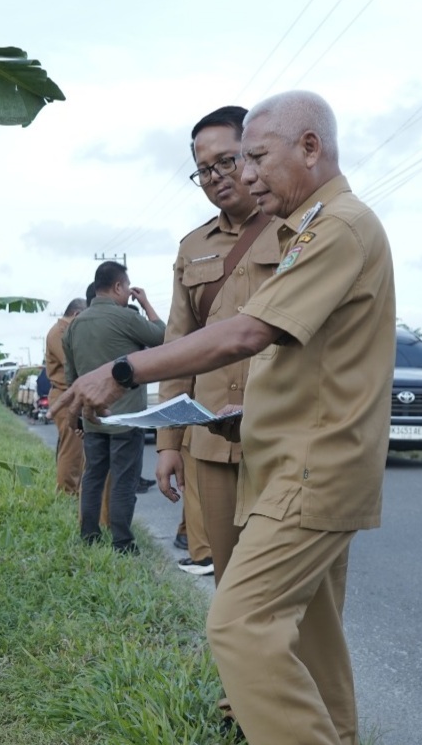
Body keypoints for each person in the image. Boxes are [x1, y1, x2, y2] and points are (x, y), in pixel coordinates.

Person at [54, 90, 395, 745]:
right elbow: (310, 354)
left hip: (310, 466)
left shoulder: (338, 226)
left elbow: (244, 334)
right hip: (286, 453)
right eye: (233, 165)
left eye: (255, 158)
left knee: (239, 623)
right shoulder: (308, 229)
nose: (243, 177)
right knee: (314, 638)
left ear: (310, 147)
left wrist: (122, 370)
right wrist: (244, 410)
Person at [157, 104, 286, 582]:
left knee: (281, 584)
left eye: (227, 161)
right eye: (203, 169)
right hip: (210, 445)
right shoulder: (192, 247)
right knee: (228, 582)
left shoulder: (298, 230)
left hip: (280, 439)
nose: (215, 177)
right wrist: (168, 444)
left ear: (254, 153)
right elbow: (178, 346)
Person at [63, 261, 168, 554]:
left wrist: (81, 420)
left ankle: (89, 535)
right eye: (127, 288)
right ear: (119, 286)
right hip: (127, 417)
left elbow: (72, 380)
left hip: (93, 417)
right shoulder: (125, 318)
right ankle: (122, 542)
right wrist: (146, 302)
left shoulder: (74, 327)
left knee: (93, 476)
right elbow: (163, 336)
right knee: (124, 480)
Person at [45, 298, 87, 495]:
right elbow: (74, 363)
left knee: (74, 449)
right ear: (77, 315)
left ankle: (72, 491)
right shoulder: (59, 334)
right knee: (72, 450)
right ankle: (66, 493)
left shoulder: (63, 331)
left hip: (68, 395)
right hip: (64, 396)